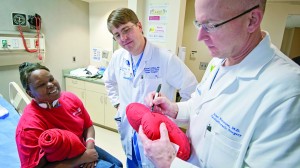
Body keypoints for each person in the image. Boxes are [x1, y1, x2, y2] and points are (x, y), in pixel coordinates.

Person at [139, 0, 300, 167]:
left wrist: (170, 163)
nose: (200, 36)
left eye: (211, 25)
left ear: (252, 20)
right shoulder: (219, 61)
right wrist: (174, 109)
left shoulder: (288, 92)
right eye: (199, 23)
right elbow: (199, 106)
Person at [103, 8, 198, 168]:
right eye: (117, 35)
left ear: (139, 26)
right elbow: (108, 81)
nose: (123, 38)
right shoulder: (118, 57)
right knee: (132, 162)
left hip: (156, 134)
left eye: (126, 30)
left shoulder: (165, 58)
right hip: (129, 128)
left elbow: (192, 90)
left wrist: (171, 117)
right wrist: (118, 104)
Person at [16, 62, 123, 168]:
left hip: (82, 147)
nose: (50, 84)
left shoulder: (70, 98)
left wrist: (90, 147)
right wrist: (82, 159)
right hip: (64, 162)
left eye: (51, 79)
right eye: (41, 84)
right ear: (30, 93)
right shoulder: (29, 127)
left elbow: (88, 125)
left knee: (118, 164)